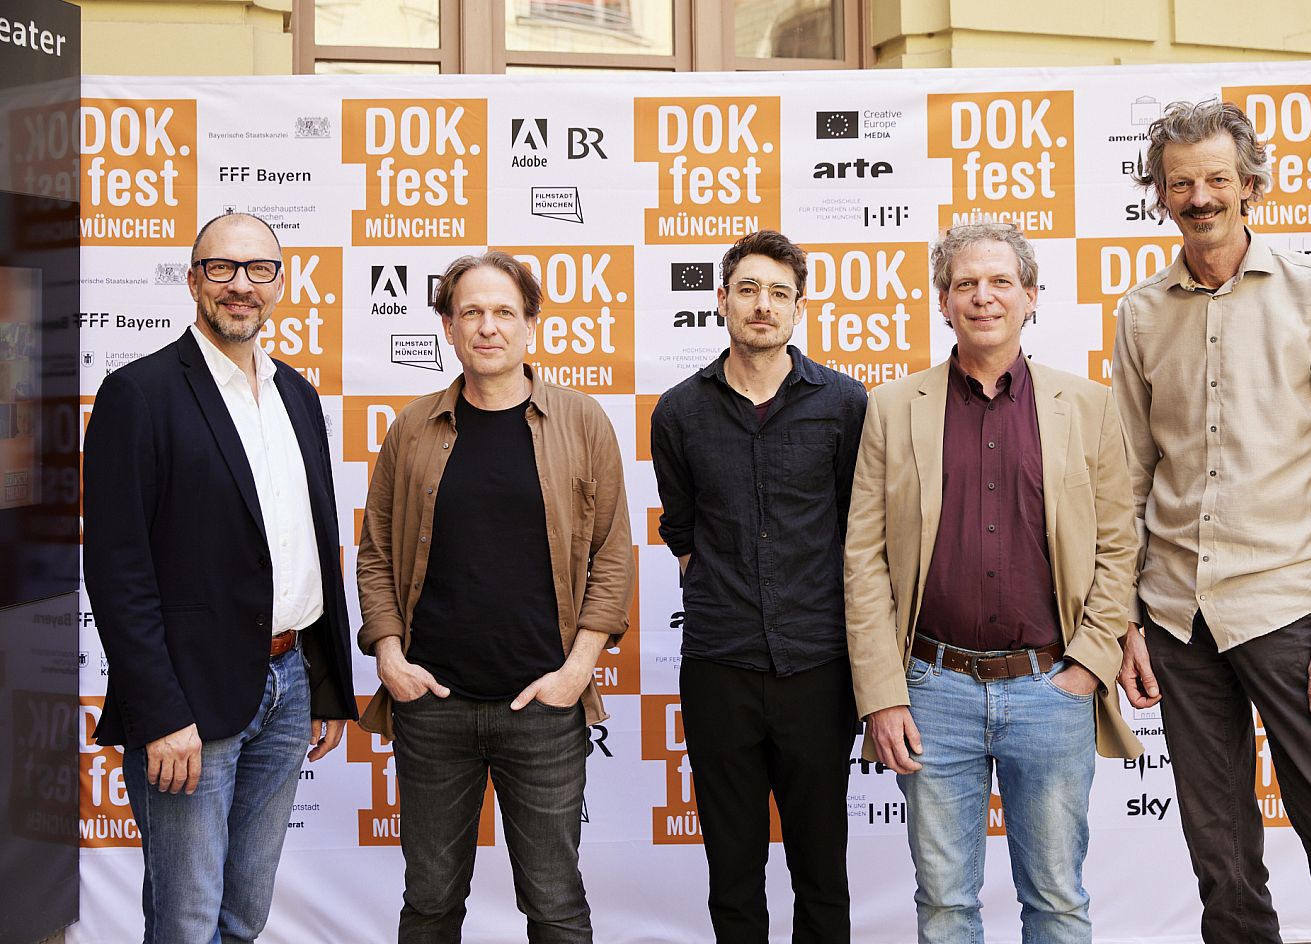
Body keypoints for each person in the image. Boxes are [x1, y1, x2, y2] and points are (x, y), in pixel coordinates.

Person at [1113, 99, 1311, 943]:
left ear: (1249, 185)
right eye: (1180, 183)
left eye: (1216, 179)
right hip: (1177, 621)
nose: (1199, 197)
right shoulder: (1140, 312)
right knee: (1224, 867)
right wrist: (1126, 618)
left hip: (1292, 613)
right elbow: (1127, 478)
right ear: (1160, 194)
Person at [845, 221, 1140, 943]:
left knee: (1057, 900)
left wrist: (1089, 663)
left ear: (1031, 296)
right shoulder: (891, 406)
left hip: (1052, 689)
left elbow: (1118, 546)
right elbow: (864, 560)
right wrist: (883, 693)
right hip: (931, 691)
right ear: (943, 301)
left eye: (1001, 281)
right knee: (945, 905)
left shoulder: (1089, 406)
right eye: (966, 284)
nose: (984, 297)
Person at [83, 211, 357, 944]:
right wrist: (161, 713)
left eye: (259, 269)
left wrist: (326, 682)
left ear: (281, 283)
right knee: (187, 921)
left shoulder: (298, 395)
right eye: (222, 268)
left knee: (244, 916)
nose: (241, 285)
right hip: (189, 702)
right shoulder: (139, 394)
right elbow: (117, 570)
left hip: (290, 685)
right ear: (193, 280)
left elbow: (310, 544)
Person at [356, 250, 633, 943]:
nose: (488, 327)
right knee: (429, 903)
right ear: (448, 327)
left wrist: (576, 672)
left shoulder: (583, 422)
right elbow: (377, 551)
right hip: (431, 708)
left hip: (543, 708)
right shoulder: (413, 427)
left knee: (555, 903)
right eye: (471, 312)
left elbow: (611, 556)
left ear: (530, 324)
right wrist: (389, 656)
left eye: (504, 312)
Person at [650, 229, 866, 943]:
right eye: (748, 290)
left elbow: (856, 529)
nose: (763, 305)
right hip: (720, 665)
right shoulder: (678, 412)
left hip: (819, 666)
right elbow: (683, 530)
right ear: (721, 300)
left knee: (822, 872)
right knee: (732, 873)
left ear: (799, 307)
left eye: (779, 293)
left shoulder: (844, 403)